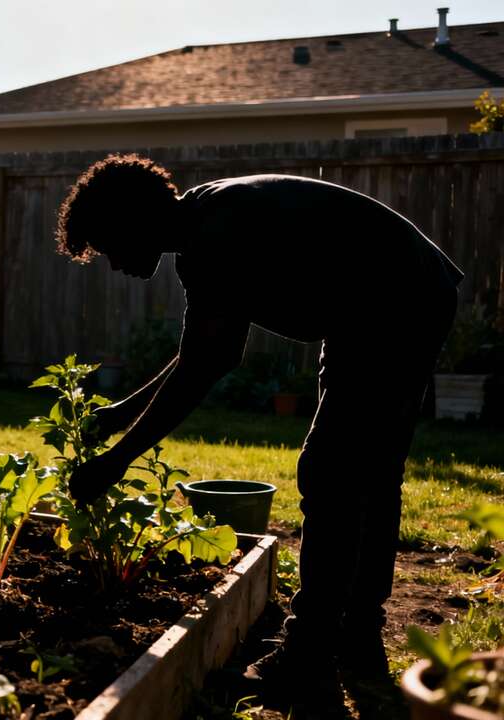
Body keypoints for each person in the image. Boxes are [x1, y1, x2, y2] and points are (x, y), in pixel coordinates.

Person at [56, 154, 461, 715]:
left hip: (396, 300)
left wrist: (116, 459)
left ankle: (307, 657)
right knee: (367, 472)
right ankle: (357, 639)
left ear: (133, 221)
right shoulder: (203, 226)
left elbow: (207, 364)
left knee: (332, 472)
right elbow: (202, 353)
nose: (115, 264)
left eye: (110, 247)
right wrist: (122, 413)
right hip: (384, 299)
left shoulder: (216, 234)